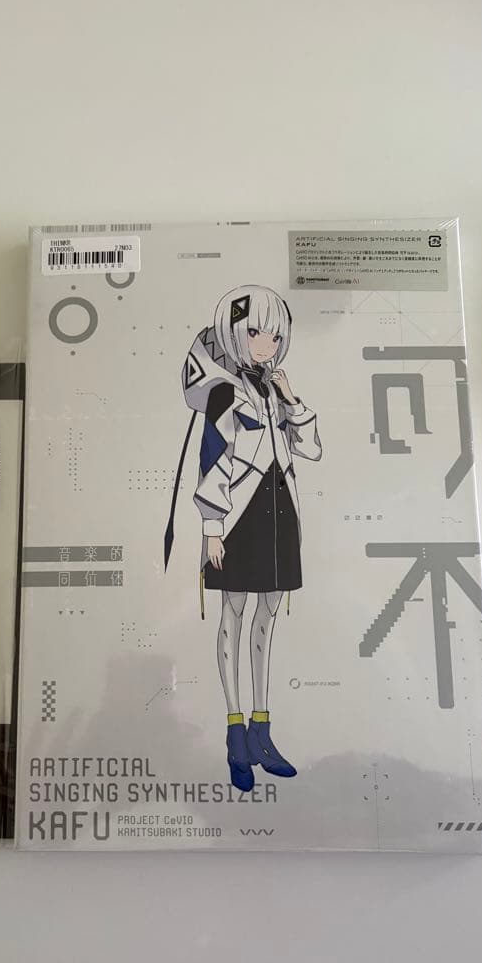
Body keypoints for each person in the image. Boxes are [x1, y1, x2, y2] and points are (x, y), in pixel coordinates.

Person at [167, 285, 322, 791]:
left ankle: (262, 730)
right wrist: (212, 527)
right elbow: (213, 458)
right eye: (255, 332)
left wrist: (292, 399)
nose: (265, 344)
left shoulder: (275, 390)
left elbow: (312, 450)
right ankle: (236, 731)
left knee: (268, 616)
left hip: (280, 512)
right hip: (238, 517)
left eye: (274, 335)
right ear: (234, 333)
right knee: (233, 613)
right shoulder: (223, 392)